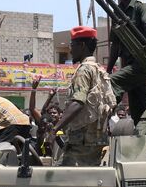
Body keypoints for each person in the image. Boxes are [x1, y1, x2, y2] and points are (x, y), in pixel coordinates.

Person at [49, 26, 116, 166]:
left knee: (62, 179)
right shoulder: (98, 69)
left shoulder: (84, 70)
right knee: (87, 179)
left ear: (82, 45)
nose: (71, 50)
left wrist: (55, 129)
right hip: (96, 138)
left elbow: (78, 102)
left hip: (82, 140)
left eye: (72, 45)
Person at [106, 0, 146, 125]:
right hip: (129, 64)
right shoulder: (117, 11)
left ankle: (102, 118)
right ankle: (143, 136)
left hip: (143, 63)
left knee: (111, 84)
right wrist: (107, 69)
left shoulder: (141, 6)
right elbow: (115, 43)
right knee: (138, 108)